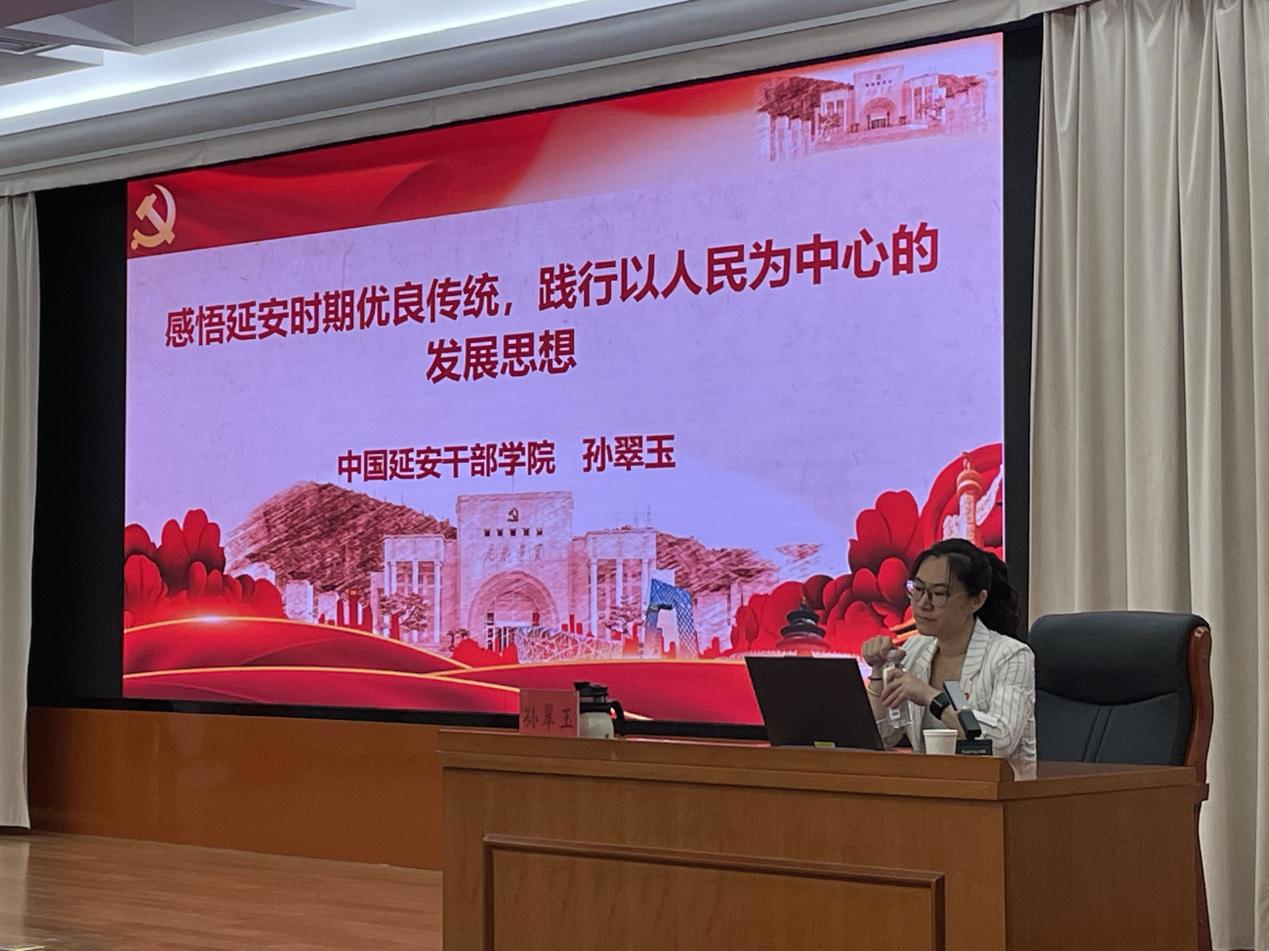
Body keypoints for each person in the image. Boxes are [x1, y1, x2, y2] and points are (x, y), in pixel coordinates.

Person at [861, 538, 1036, 779]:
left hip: (997, 793)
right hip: (932, 790)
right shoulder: (914, 650)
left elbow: (1000, 742)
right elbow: (882, 737)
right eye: (918, 589)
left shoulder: (1011, 655)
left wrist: (931, 697)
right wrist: (878, 672)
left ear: (976, 600)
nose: (923, 604)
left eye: (939, 594)